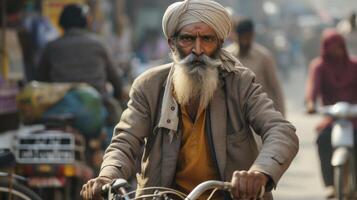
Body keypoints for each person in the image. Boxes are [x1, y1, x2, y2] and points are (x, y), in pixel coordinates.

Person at [80, 1, 299, 200]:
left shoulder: (239, 83)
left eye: (207, 39)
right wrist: (107, 176)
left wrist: (259, 173)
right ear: (171, 43)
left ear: (220, 43)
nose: (197, 49)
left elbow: (280, 131)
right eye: (187, 39)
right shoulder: (149, 86)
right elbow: (126, 140)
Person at [36, 4, 123, 128]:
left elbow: (40, 80)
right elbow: (115, 79)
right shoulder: (98, 44)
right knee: (115, 138)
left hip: (61, 112)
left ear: (62, 22)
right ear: (86, 22)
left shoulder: (51, 47)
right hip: (96, 112)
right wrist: (118, 95)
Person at [305, 29, 357, 199]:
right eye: (333, 48)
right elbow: (313, 88)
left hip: (354, 117)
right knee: (323, 139)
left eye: (339, 47)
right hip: (332, 118)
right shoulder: (319, 66)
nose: (337, 52)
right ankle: (330, 184)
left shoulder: (354, 65)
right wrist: (311, 104)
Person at [225, 18, 285, 116]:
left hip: (260, 112)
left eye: (247, 38)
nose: (244, 41)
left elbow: (275, 87)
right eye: (241, 38)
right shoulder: (228, 56)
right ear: (236, 36)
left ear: (252, 35)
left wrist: (281, 116)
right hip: (236, 114)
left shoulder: (264, 57)